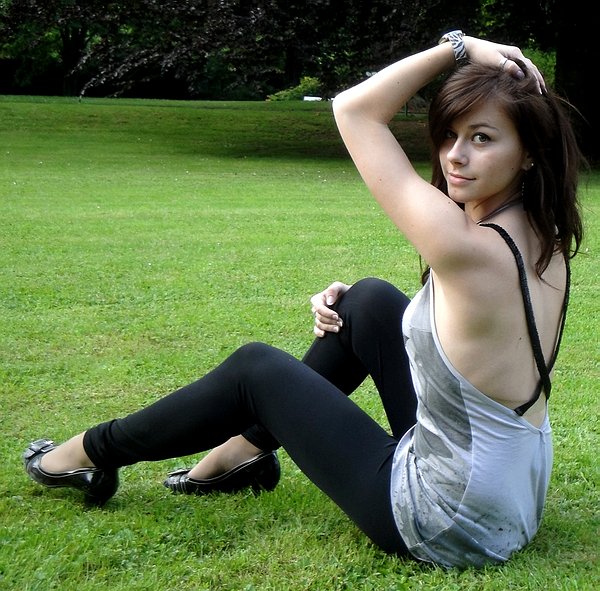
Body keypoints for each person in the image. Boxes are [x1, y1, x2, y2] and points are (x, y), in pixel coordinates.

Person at [22, 32, 584, 569]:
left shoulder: (463, 246)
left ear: (528, 153)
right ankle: (241, 457)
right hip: (511, 498)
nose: (455, 156)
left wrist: (457, 48)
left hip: (447, 520)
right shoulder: (543, 236)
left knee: (256, 369)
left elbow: (354, 110)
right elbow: (472, 334)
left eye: (482, 138)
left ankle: (88, 454)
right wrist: (357, 311)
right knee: (366, 301)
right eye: (448, 134)